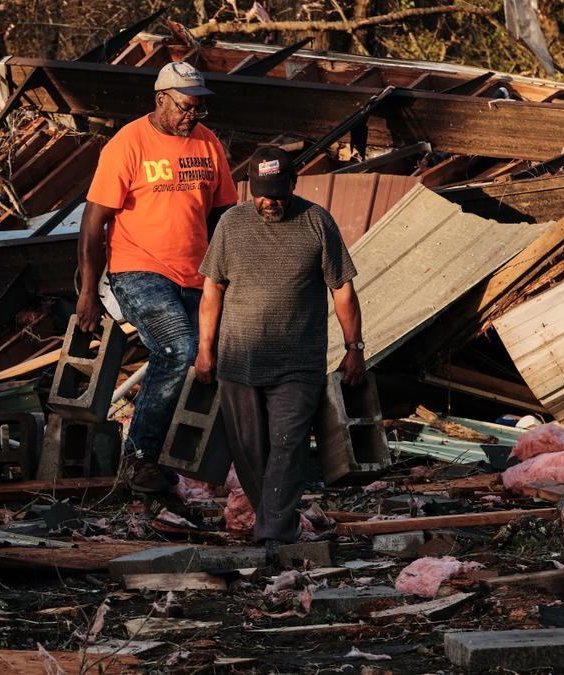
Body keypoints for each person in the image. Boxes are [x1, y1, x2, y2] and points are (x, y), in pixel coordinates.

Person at [76, 61, 238, 493]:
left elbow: (224, 215)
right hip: (139, 269)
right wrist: (88, 292)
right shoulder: (127, 144)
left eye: (200, 108)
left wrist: (231, 276)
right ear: (161, 99)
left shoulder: (209, 145)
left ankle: (200, 462)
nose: (193, 116)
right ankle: (141, 457)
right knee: (178, 349)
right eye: (186, 106)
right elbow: (92, 224)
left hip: (197, 275)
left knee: (217, 359)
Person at [195, 146, 365, 546]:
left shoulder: (316, 221)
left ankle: (274, 534)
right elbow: (212, 290)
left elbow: (341, 288)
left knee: (288, 446)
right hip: (238, 361)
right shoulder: (231, 224)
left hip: (297, 363)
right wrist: (205, 349)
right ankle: (275, 525)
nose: (269, 201)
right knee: (250, 453)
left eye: (277, 191)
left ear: (293, 183)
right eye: (261, 192)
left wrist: (354, 346)